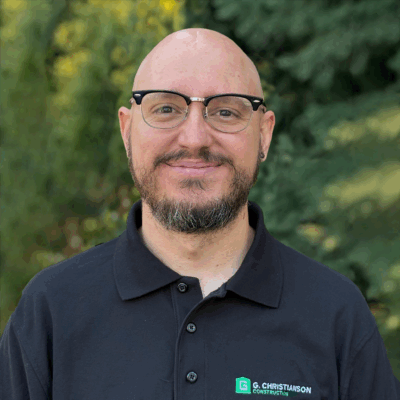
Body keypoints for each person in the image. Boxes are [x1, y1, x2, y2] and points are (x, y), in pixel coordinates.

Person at [1, 28, 399, 400]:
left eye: (226, 112)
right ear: (127, 130)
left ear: (264, 134)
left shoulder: (335, 314)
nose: (194, 139)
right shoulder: (52, 310)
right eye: (166, 108)